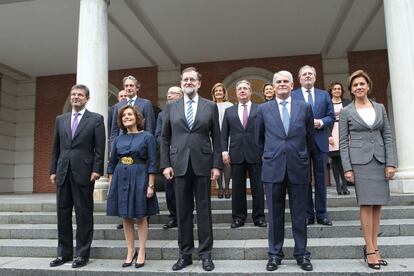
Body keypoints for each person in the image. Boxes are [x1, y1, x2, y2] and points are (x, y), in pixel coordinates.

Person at [160, 67, 222, 272]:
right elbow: (165, 138)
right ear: (181, 82)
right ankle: (184, 254)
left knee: (204, 211)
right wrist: (166, 164)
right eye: (185, 79)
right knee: (183, 211)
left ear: (199, 83)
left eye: (192, 79)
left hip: (203, 164)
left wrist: (216, 165)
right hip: (178, 165)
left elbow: (217, 137)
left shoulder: (210, 106)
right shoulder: (171, 107)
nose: (188, 82)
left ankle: (206, 255)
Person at [256, 71, 314, 272]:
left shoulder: (304, 107)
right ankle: (274, 255)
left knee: (300, 214)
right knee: (274, 214)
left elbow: (310, 138)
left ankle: (302, 254)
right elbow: (259, 139)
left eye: (285, 82)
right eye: (278, 82)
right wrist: (271, 154)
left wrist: (301, 155)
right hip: (273, 168)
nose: (281, 84)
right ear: (273, 86)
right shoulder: (263, 109)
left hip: (298, 166)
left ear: (292, 85)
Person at [339, 70, 396, 270]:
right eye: (355, 85)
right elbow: (343, 143)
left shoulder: (379, 107)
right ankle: (370, 250)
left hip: (380, 161)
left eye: (362, 84)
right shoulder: (347, 111)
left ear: (368, 86)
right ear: (351, 90)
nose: (359, 87)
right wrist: (347, 168)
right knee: (366, 204)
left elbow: (387, 136)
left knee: (378, 205)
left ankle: (375, 247)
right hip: (360, 163)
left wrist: (391, 163)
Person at [49, 84, 105, 268]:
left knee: (83, 215)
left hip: (85, 173)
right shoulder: (60, 119)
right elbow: (55, 148)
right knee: (62, 214)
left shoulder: (96, 119)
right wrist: (52, 170)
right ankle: (63, 253)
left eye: (80, 95)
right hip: (63, 172)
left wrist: (97, 169)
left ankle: (82, 254)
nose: (76, 97)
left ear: (87, 98)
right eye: (73, 94)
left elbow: (100, 148)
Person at [106, 105, 159, 268]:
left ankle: (142, 250)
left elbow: (152, 162)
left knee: (141, 215)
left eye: (129, 114)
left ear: (137, 117)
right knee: (125, 216)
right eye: (123, 116)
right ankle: (130, 250)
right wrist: (110, 185)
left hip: (140, 177)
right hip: (120, 177)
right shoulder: (117, 139)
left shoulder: (147, 137)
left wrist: (150, 185)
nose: (126, 117)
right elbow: (112, 163)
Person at [291, 65, 335, 226]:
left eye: (310, 74)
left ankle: (322, 214)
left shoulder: (324, 95)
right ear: (299, 78)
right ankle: (308, 214)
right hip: (301, 143)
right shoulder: (293, 95)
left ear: (315, 78)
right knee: (304, 179)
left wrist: (321, 122)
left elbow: (331, 116)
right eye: (304, 74)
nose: (307, 76)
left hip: (320, 141)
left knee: (321, 178)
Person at [221, 80, 266, 228]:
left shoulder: (260, 109)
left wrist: (265, 151)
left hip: (256, 154)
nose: (242, 91)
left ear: (250, 91)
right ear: (236, 92)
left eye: (245, 88)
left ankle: (259, 217)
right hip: (236, 154)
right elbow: (224, 134)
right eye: (239, 88)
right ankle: (238, 218)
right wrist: (224, 151)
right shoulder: (229, 111)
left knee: (257, 188)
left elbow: (265, 132)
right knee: (238, 189)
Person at [155, 86, 183, 230]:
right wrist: (170, 145)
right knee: (170, 190)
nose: (169, 95)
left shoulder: (185, 111)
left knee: (185, 189)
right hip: (169, 157)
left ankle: (185, 216)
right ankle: (173, 217)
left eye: (173, 93)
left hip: (185, 155)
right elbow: (159, 135)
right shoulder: (162, 115)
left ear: (181, 96)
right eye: (168, 93)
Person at [110, 75, 155, 148]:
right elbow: (114, 130)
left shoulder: (146, 104)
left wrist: (148, 146)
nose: (128, 88)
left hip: (140, 145)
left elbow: (149, 128)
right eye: (126, 86)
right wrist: (113, 148)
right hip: (121, 145)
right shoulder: (118, 106)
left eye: (131, 85)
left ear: (137, 88)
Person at [107, 89, 128, 230]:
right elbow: (112, 130)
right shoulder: (114, 109)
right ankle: (124, 218)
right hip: (119, 151)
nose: (122, 98)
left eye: (125, 96)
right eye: (120, 96)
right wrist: (112, 148)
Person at [327, 81, 351, 195]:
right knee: (335, 161)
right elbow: (325, 120)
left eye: (339, 89)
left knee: (344, 160)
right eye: (335, 89)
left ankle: (345, 186)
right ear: (331, 91)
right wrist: (328, 136)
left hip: (345, 132)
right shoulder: (327, 103)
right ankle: (338, 187)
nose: (337, 91)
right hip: (332, 133)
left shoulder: (347, 103)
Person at [211, 82, 233, 199]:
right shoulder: (210, 105)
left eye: (220, 90)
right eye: (216, 91)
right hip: (214, 137)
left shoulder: (229, 105)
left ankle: (227, 187)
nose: (218, 92)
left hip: (227, 136)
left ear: (224, 93)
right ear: (214, 94)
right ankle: (220, 188)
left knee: (227, 161)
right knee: (217, 162)